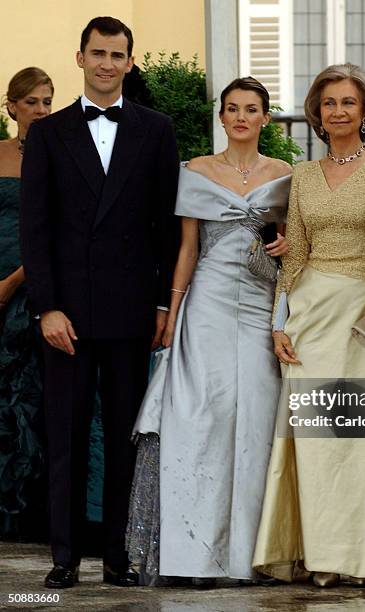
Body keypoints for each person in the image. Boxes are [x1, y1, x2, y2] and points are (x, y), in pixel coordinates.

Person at [19, 16, 180, 589]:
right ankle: (63, 558)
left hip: (132, 311)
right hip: (67, 314)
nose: (108, 63)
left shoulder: (156, 130)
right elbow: (36, 231)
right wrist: (47, 308)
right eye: (98, 53)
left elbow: (166, 226)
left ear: (130, 62)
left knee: (122, 436)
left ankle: (118, 556)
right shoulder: (48, 133)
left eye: (118, 55)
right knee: (64, 436)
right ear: (80, 58)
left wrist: (164, 307)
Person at [252, 64, 365, 588]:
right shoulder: (301, 175)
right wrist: (281, 319)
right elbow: (295, 252)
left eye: (349, 102)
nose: (339, 112)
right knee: (320, 441)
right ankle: (325, 555)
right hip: (311, 319)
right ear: (317, 113)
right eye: (330, 103)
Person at [126, 77, 291, 587]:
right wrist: (172, 316)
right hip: (207, 309)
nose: (241, 117)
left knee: (258, 423)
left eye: (252, 109)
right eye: (232, 109)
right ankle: (194, 557)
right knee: (200, 424)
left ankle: (251, 556)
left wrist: (284, 251)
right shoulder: (195, 172)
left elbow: (296, 246)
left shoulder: (286, 176)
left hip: (262, 306)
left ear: (265, 118)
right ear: (220, 117)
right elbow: (187, 251)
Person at [0, 67, 53, 540]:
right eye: (32, 102)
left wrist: (17, 279)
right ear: (11, 106)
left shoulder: (57, 157)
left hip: (32, 287)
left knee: (31, 397)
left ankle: (28, 515)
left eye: (47, 102)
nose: (39, 111)